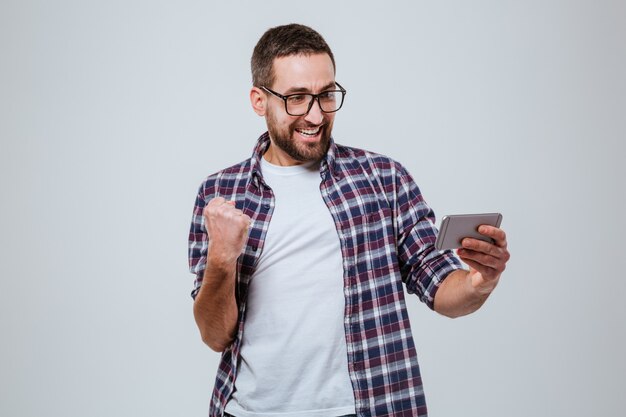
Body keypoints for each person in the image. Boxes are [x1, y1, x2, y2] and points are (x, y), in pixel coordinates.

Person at [188, 23, 510, 417]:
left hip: (367, 407)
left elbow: (441, 287)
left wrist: (479, 282)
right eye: (296, 98)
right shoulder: (221, 194)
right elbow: (214, 334)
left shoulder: (383, 179)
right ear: (259, 100)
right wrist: (222, 257)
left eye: (326, 95)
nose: (315, 114)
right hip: (248, 411)